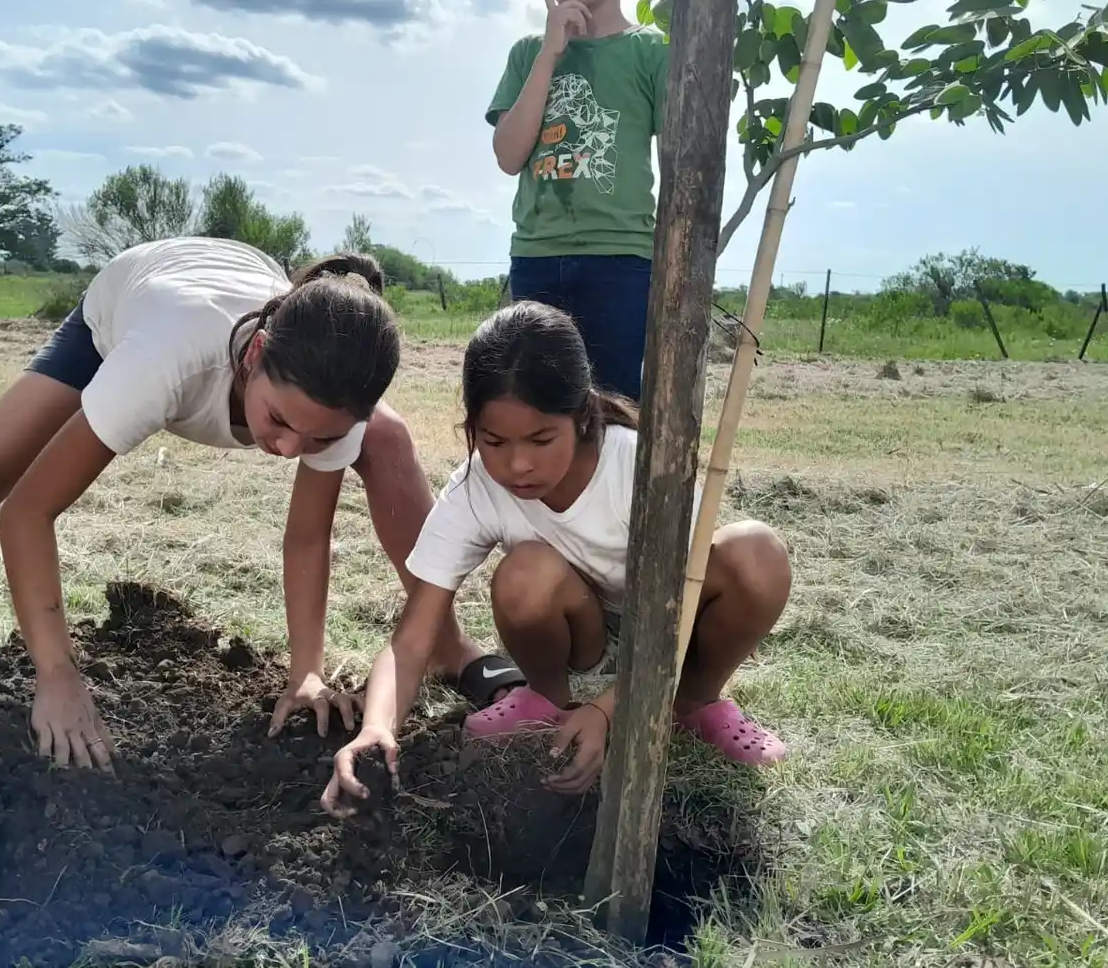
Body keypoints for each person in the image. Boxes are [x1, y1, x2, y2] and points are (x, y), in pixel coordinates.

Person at [0, 236, 521, 772]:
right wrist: (56, 672)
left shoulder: (332, 408)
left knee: (390, 439)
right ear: (259, 354)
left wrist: (306, 673)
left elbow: (306, 537)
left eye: (319, 438)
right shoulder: (161, 363)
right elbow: (27, 511)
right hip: (136, 300)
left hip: (236, 281)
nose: (288, 447)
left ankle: (446, 646)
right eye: (279, 420)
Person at [322, 302, 791, 815]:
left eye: (541, 439)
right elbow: (412, 640)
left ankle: (693, 701)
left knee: (756, 553)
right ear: (471, 426)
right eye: (495, 441)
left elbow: (672, 616)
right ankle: (547, 699)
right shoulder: (478, 490)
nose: (518, 465)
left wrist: (608, 711)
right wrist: (376, 726)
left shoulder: (638, 467)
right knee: (524, 573)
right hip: (583, 632)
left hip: (670, 624)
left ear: (583, 415)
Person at [487, 0, 670, 405]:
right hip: (537, 255)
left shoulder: (650, 52)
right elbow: (508, 155)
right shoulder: (528, 53)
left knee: (611, 409)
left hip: (618, 259)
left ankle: (612, 489)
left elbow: (685, 159)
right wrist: (550, 51)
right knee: (535, 404)